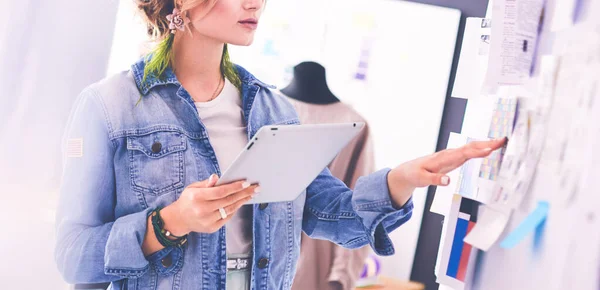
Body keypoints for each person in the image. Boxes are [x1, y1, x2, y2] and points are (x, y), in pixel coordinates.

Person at [54, 0, 505, 289]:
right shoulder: (109, 107)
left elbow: (332, 216)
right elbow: (75, 258)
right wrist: (170, 222)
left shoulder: (274, 110)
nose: (257, 3)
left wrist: (400, 180)